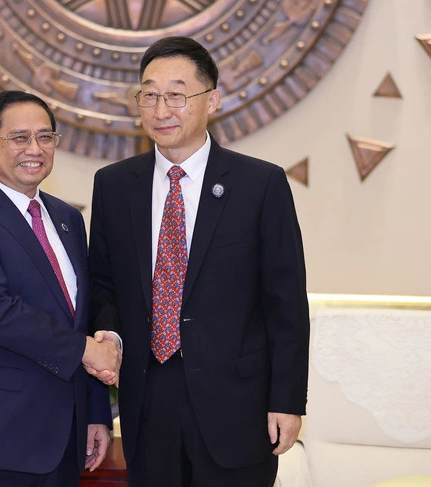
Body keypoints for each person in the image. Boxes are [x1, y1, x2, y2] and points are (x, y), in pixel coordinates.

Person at [88, 36, 310, 486]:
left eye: (176, 94)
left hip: (237, 401)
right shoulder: (114, 185)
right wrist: (110, 335)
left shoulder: (259, 184)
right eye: (149, 95)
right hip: (148, 398)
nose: (161, 108)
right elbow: (103, 283)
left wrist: (287, 400)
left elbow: (285, 302)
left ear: (212, 100)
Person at [0, 90, 120, 486]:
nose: (35, 148)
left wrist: (97, 412)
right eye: (19, 138)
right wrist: (87, 350)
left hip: (63, 438)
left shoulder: (67, 218)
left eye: (46, 137)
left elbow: (80, 318)